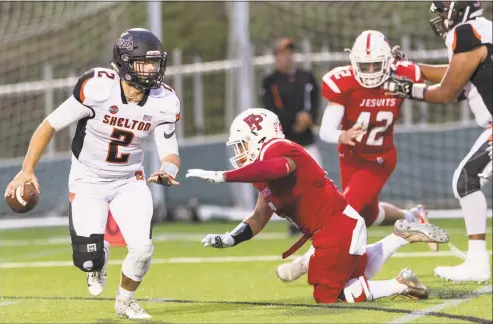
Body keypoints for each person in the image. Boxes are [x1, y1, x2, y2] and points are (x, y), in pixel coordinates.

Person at [185, 108, 449, 304]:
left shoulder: (278, 148)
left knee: (328, 296)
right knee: (356, 274)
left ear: (258, 137)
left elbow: (279, 168)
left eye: (242, 145)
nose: (239, 153)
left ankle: (400, 284)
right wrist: (230, 239)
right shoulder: (262, 172)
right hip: (338, 226)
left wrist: (224, 176)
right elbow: (257, 217)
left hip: (334, 228)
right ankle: (400, 236)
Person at [5, 28, 181, 319]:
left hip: (129, 180)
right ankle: (99, 258)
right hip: (88, 178)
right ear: (124, 63)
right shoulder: (97, 87)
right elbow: (49, 125)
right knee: (87, 261)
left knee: (142, 248)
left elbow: (170, 150)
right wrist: (27, 169)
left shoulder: (165, 100)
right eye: (143, 62)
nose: (151, 69)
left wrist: (168, 168)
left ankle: (125, 301)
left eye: (154, 62)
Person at [275, 30, 436, 283]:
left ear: (388, 63)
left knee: (343, 210)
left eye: (376, 64)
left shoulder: (404, 73)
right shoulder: (344, 83)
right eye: (365, 65)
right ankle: (413, 218)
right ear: (353, 62)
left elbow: (436, 87)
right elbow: (326, 129)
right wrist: (342, 135)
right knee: (368, 214)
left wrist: (409, 70)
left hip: (379, 158)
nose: (371, 71)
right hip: (349, 157)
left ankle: (305, 262)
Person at [383, 1, 492, 283]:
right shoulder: (479, 31)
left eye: (443, 11)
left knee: (465, 179)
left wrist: (406, 89)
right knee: (466, 179)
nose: (441, 18)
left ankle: (478, 262)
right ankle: (477, 260)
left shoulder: (466, 32)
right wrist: (412, 68)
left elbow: (447, 91)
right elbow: (455, 77)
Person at [260, 38, 321, 235]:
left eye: (289, 53)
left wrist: (309, 118)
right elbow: (271, 110)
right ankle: (295, 221)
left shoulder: (306, 77)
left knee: (316, 178)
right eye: (282, 53)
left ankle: (316, 218)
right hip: (284, 140)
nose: (286, 57)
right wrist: (295, 118)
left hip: (306, 138)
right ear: (276, 56)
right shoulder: (270, 82)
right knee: (287, 184)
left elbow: (315, 102)